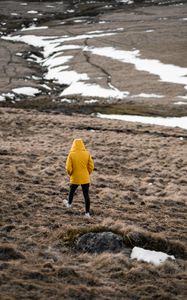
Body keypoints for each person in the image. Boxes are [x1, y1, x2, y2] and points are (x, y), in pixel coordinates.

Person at [64, 138, 94, 218]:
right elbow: (91, 166)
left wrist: (71, 174)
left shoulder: (71, 154)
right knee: (86, 195)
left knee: (72, 191)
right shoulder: (87, 153)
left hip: (75, 177)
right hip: (85, 178)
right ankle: (87, 213)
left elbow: (68, 168)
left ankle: (69, 204)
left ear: (73, 145)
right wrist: (88, 174)